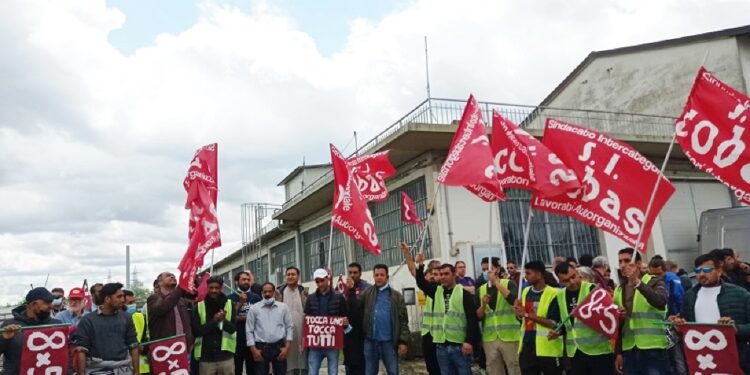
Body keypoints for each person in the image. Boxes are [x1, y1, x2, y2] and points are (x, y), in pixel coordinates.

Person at [670, 252, 750, 373]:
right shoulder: (690, 296)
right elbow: (686, 327)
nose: (701, 274)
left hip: (735, 360)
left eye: (707, 270)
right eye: (697, 270)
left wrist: (736, 329)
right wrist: (678, 326)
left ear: (719, 271)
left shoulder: (740, 294)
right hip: (701, 362)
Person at [415, 254, 480, 375]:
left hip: (459, 346)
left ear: (454, 274)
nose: (443, 277)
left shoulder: (462, 293)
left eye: (446, 274)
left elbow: (471, 318)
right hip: (441, 346)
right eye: (441, 274)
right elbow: (421, 283)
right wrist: (420, 266)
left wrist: (469, 341)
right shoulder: (436, 291)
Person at [551, 263, 614, 374]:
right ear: (559, 281)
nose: (572, 282)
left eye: (573, 276)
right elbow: (562, 322)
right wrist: (558, 331)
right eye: (566, 280)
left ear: (577, 272)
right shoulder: (559, 296)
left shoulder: (594, 290)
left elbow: (609, 316)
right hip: (575, 353)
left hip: (598, 351)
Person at [613, 248, 669, 375]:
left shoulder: (654, 281)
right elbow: (618, 327)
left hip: (652, 346)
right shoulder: (619, 290)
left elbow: (660, 301)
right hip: (629, 347)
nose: (622, 265)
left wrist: (637, 283)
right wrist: (618, 353)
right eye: (620, 261)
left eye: (627, 261)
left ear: (638, 264)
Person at [347, 264, 409, 375]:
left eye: (382, 275)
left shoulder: (396, 296)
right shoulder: (367, 293)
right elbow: (355, 307)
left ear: (387, 277)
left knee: (393, 371)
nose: (379, 277)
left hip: (389, 343)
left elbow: (403, 321)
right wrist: (351, 290)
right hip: (370, 342)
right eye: (376, 275)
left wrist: (403, 341)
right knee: (370, 372)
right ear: (373, 277)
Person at [73, 282, 139, 374]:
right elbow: (81, 350)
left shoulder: (126, 318)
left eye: (123, 296)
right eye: (119, 297)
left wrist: (136, 372)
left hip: (124, 370)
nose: (123, 300)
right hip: (96, 371)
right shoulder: (88, 320)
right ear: (107, 299)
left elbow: (133, 346)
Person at [513, 261, 563, 375]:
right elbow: (522, 320)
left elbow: (554, 323)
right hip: (528, 344)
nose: (525, 276)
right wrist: (518, 312)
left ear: (539, 275)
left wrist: (526, 314)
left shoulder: (554, 293)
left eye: (528, 273)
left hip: (548, 346)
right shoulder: (525, 292)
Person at [0, 287, 61, 375]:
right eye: (47, 302)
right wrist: (3, 338)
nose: (51, 306)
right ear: (33, 304)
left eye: (51, 302)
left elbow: (65, 355)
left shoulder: (57, 325)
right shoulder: (9, 326)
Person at [400, 243, 441, 375]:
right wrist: (407, 253)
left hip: (442, 334)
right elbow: (413, 270)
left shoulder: (443, 289)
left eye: (437, 274)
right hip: (427, 333)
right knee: (431, 366)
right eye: (431, 274)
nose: (434, 276)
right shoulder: (426, 287)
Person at [476, 259, 521, 375]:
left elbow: (514, 301)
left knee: (514, 367)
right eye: (484, 270)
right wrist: (483, 304)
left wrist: (496, 283)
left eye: (489, 269)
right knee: (494, 369)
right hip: (489, 338)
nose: (486, 272)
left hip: (510, 336)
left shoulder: (508, 284)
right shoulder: (480, 290)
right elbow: (478, 316)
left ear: (497, 269)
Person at [304, 268, 349, 375]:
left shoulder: (339, 297)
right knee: (312, 371)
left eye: (322, 280)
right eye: (317, 281)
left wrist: (344, 321)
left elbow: (344, 315)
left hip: (332, 342)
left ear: (327, 279)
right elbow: (307, 318)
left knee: (333, 371)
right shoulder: (310, 298)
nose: (320, 284)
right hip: (315, 343)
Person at [192, 275, 237, 375]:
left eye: (216, 288)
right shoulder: (198, 307)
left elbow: (233, 329)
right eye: (211, 288)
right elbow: (197, 332)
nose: (213, 290)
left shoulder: (230, 304)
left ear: (221, 288)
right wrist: (214, 321)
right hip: (206, 357)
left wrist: (223, 321)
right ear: (207, 288)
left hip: (226, 356)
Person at [247, 282, 293, 375]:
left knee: (281, 373)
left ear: (274, 292)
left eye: (270, 291)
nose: (267, 294)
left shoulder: (283, 307)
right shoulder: (254, 309)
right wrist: (253, 350)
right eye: (265, 292)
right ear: (261, 293)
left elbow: (289, 327)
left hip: (279, 346)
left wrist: (287, 347)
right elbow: (249, 330)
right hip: (261, 347)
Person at [275, 266, 308, 375]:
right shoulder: (280, 292)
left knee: (302, 361)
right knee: (288, 363)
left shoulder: (303, 291)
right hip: (286, 335)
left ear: (298, 276)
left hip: (302, 332)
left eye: (293, 274)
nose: (290, 276)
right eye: (288, 274)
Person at [229, 271, 262, 375]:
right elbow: (229, 317)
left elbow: (260, 317)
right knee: (236, 370)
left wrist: (244, 318)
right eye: (243, 279)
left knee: (252, 370)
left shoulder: (256, 297)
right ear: (236, 282)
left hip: (253, 341)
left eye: (248, 279)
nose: (246, 281)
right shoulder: (230, 298)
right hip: (236, 340)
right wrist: (240, 303)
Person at [147, 272, 193, 345]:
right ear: (160, 283)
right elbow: (161, 308)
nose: (172, 277)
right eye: (168, 276)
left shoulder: (181, 300)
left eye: (174, 276)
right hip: (164, 347)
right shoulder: (154, 298)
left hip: (184, 345)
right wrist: (179, 289)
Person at [343, 262, 370, 375]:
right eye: (350, 273)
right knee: (349, 363)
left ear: (360, 273)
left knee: (362, 363)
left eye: (355, 272)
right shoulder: (342, 287)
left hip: (362, 331)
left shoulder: (367, 288)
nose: (352, 275)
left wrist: (352, 290)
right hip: (347, 331)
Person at [123, 290, 151, 375]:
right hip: (124, 367)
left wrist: (144, 347)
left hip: (143, 368)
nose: (133, 305)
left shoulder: (141, 317)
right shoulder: (115, 319)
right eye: (130, 303)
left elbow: (149, 337)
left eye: (134, 301)